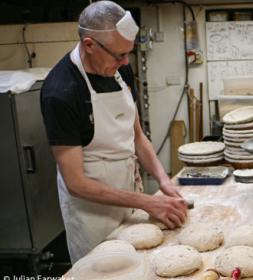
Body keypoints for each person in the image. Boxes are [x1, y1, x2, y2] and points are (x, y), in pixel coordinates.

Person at [40, 0, 187, 263]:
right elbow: (76, 183)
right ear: (89, 45)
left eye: (128, 53)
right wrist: (146, 202)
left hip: (129, 194)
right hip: (91, 213)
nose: (125, 62)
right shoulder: (61, 92)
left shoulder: (121, 70)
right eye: (119, 55)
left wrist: (163, 180)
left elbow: (138, 136)